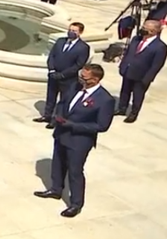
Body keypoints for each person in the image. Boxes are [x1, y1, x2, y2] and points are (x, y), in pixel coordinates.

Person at [34, 64, 115, 218]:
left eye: (84, 77)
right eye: (81, 75)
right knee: (57, 163)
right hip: (61, 134)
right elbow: (63, 102)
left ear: (95, 79)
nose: (81, 79)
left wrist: (72, 125)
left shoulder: (105, 100)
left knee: (75, 171)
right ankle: (56, 189)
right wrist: (57, 116)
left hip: (79, 141)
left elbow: (102, 126)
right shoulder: (75, 87)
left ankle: (76, 204)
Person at [34, 22, 90, 128]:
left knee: (64, 100)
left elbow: (78, 65)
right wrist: (51, 70)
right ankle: (47, 115)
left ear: (80, 32)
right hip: (53, 75)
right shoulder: (60, 41)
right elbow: (52, 56)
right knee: (50, 97)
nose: (71, 32)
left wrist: (63, 75)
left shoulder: (83, 47)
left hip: (68, 79)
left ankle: (56, 120)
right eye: (70, 30)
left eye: (74, 31)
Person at [116, 19, 167, 122]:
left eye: (145, 28)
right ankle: (122, 108)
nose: (142, 29)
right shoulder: (136, 39)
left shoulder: (160, 47)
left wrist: (147, 78)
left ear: (153, 31)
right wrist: (123, 65)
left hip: (141, 76)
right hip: (128, 70)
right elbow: (128, 53)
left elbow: (156, 65)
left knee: (137, 95)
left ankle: (133, 114)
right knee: (125, 91)